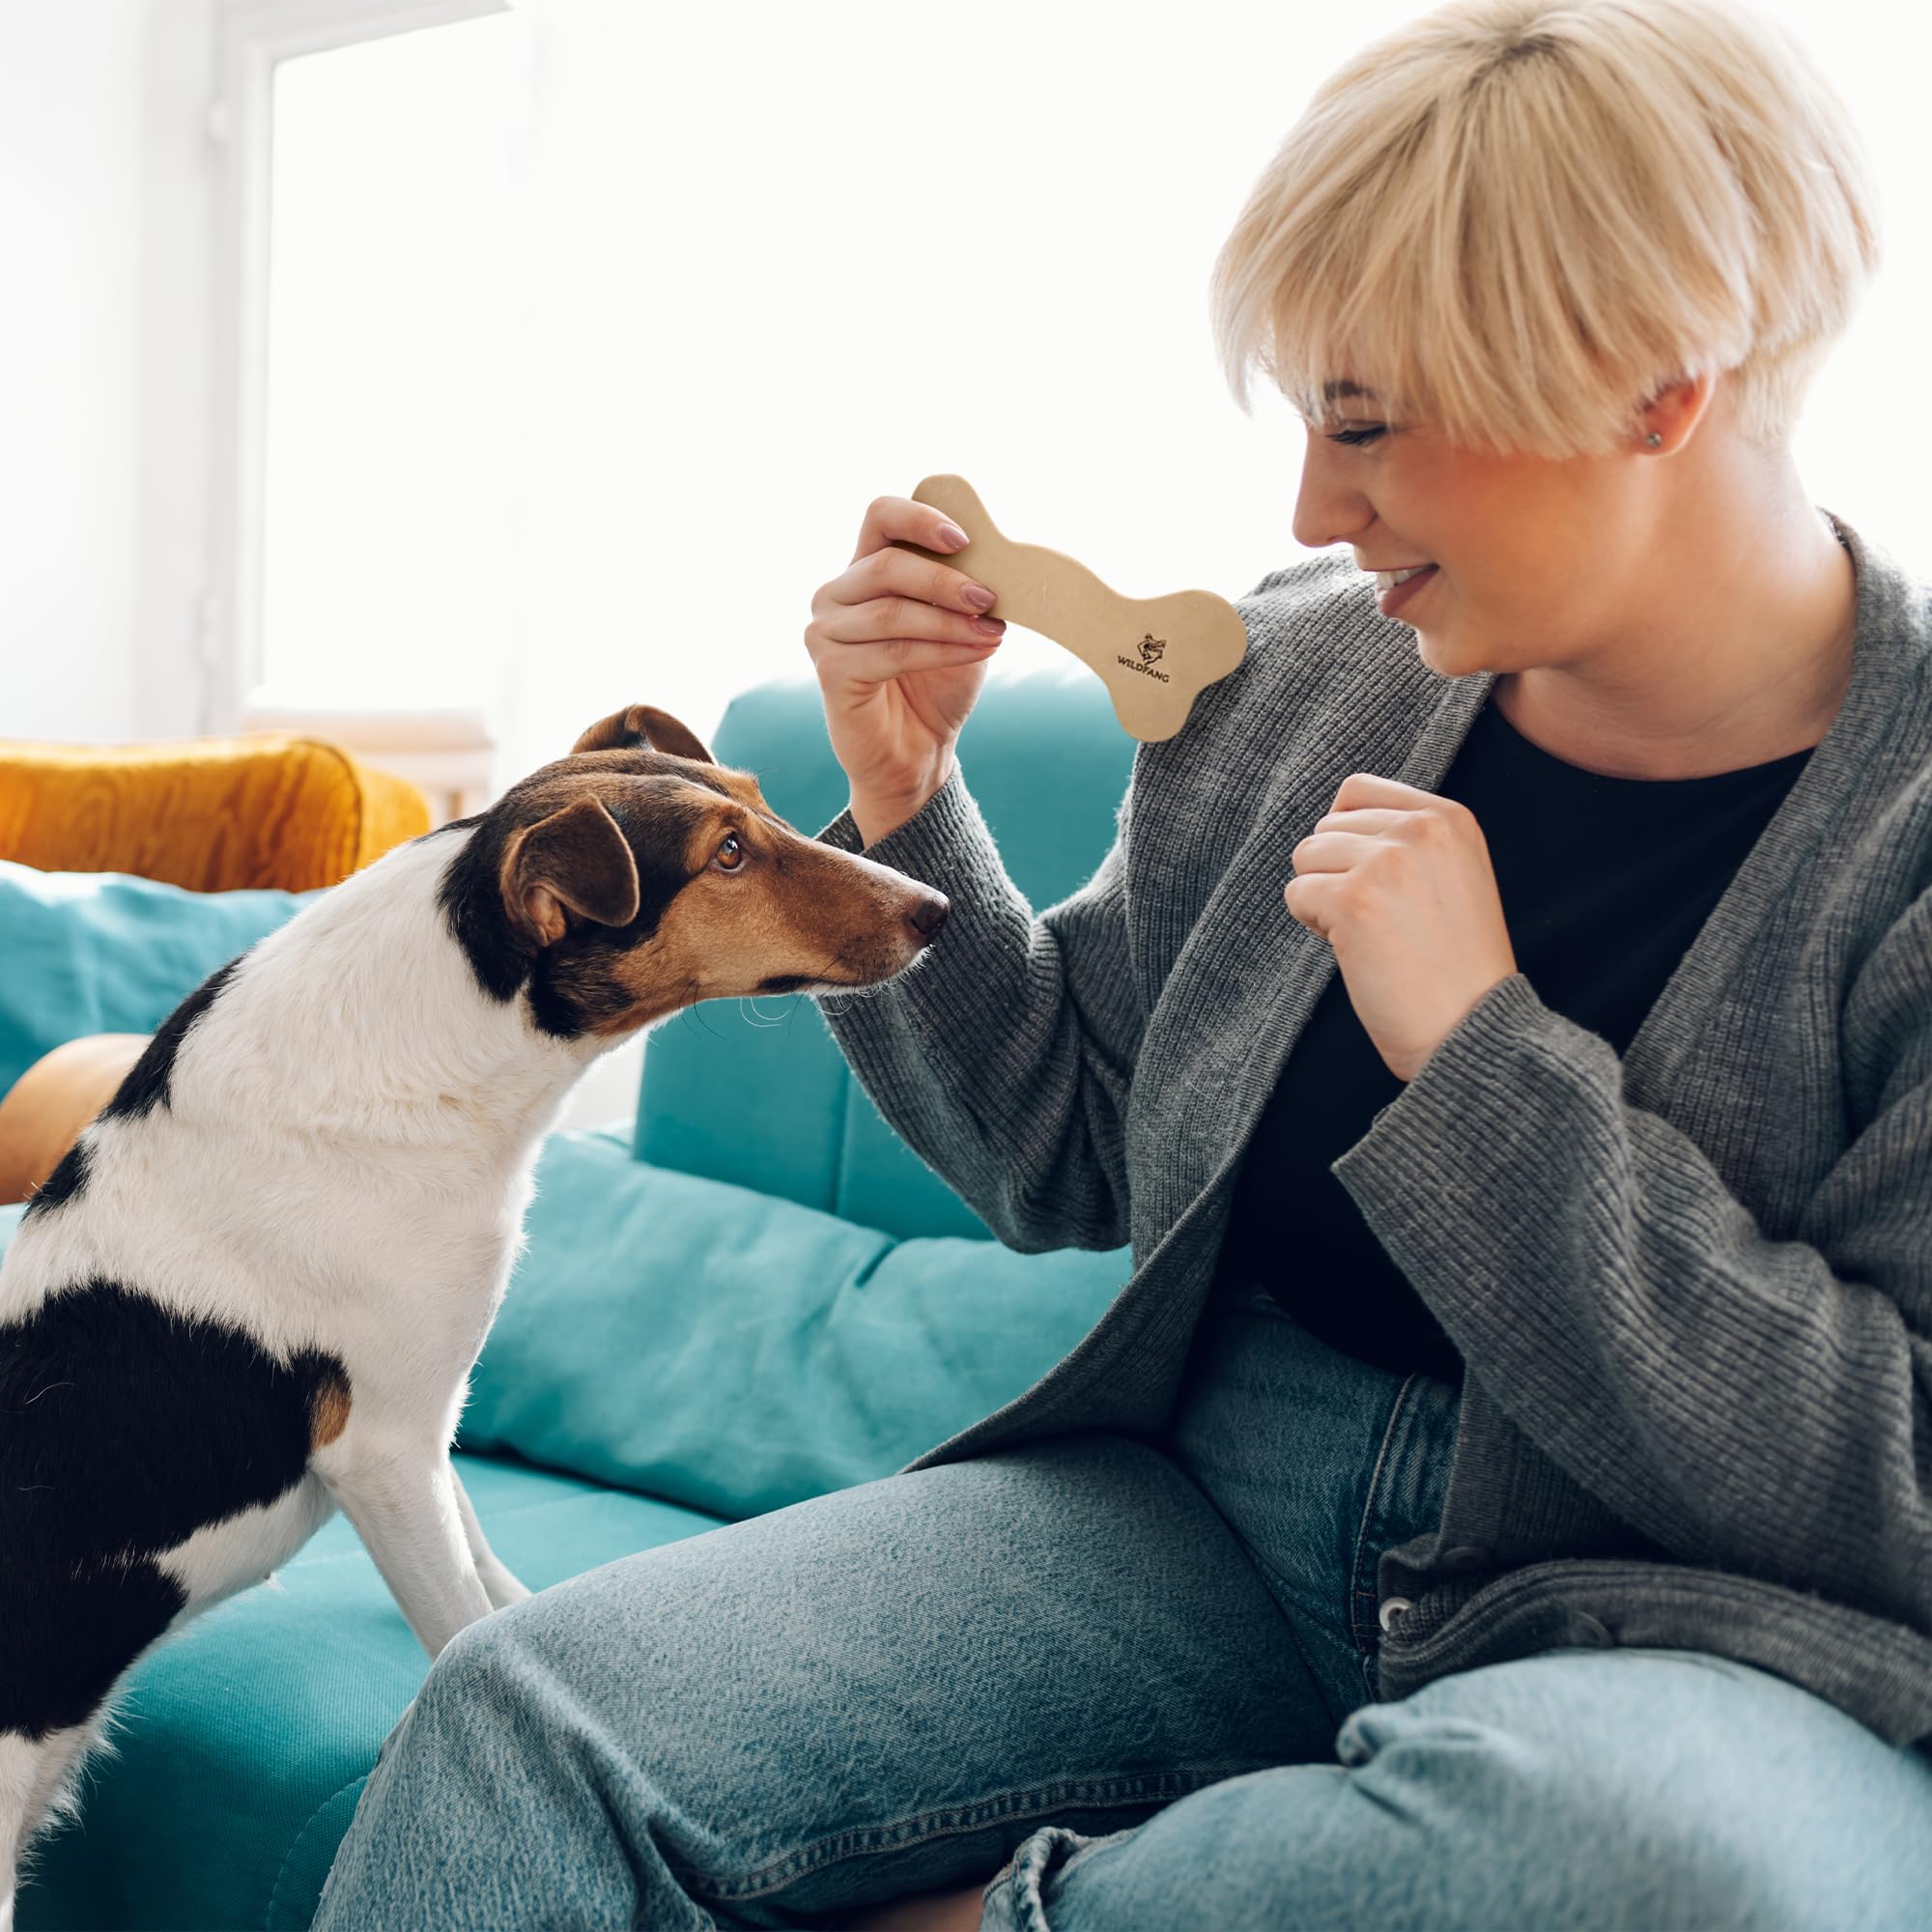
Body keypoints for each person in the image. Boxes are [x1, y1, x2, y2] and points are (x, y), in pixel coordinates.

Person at [311, 0, 1932, 1924]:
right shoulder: (1309, 677)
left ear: (1654, 385)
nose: (1312, 512)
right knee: (528, 1709)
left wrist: (1483, 1060)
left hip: (1696, 1639)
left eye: (1367, 424)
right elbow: (1063, 1145)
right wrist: (904, 805)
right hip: (1210, 1511)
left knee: (1647, 1867)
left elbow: (1893, 1477)